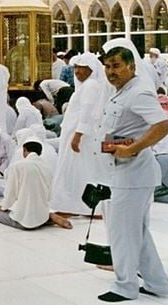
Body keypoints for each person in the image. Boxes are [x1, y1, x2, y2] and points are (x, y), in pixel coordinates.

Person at [96, 40, 168, 302]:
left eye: (116, 66)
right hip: (124, 173)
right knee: (136, 231)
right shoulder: (123, 91)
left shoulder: (138, 92)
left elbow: (163, 126)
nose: (111, 72)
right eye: (107, 67)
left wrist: (133, 148)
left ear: (131, 66)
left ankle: (126, 286)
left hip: (134, 173)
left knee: (123, 233)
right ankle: (158, 284)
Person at [51, 52, 111, 216]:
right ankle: (74, 206)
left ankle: (82, 206)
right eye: (76, 67)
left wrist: (77, 136)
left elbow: (87, 112)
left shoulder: (91, 86)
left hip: (81, 136)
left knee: (78, 171)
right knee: (76, 171)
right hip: (75, 134)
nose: (77, 71)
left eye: (82, 68)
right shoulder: (85, 86)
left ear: (91, 69)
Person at [0, 139, 73, 230]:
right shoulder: (47, 168)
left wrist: (3, 207)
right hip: (42, 217)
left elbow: (11, 193)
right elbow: (49, 196)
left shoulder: (17, 166)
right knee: (38, 212)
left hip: (24, 222)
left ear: (24, 150)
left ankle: (48, 217)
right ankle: (48, 216)